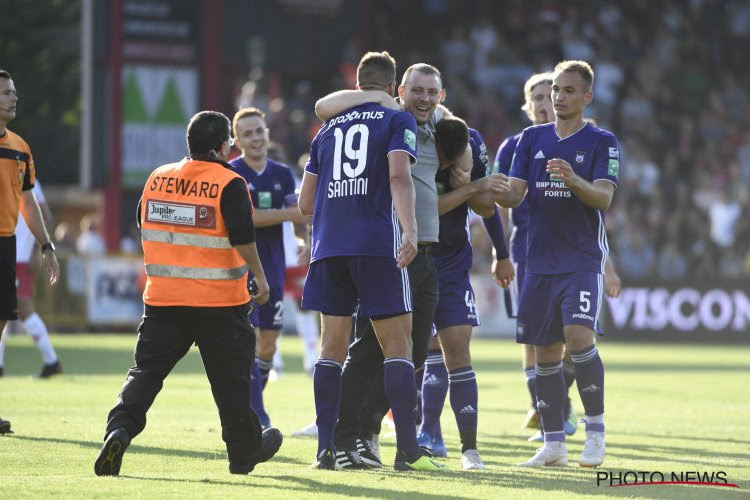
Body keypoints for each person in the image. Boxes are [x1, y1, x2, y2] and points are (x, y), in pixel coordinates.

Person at [94, 111, 282, 476]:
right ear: (223, 147)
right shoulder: (230, 182)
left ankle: (119, 428)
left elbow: (144, 224)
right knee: (231, 380)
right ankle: (244, 452)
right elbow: (242, 237)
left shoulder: (157, 178)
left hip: (163, 299)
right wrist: (260, 277)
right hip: (218, 302)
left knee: (146, 371)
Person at [300, 52, 442, 471]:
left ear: (356, 84)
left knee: (331, 349)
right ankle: (406, 451)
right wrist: (411, 230)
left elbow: (306, 203)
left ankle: (326, 450)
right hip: (377, 243)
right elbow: (399, 176)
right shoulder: (397, 121)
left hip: (329, 247)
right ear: (392, 86)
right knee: (398, 346)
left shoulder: (325, 130)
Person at [496, 60, 619, 468]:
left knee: (579, 337)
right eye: (556, 91)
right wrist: (488, 191)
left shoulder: (603, 142)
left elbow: (603, 198)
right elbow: (514, 195)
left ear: (587, 97)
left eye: (569, 91)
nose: (560, 97)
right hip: (537, 260)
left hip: (581, 259)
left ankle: (596, 434)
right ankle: (553, 445)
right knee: (545, 352)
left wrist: (572, 180)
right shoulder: (530, 139)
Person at [416, 116, 513, 469]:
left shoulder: (471, 142)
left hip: (454, 265)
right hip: (413, 260)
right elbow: (423, 206)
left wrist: (502, 254)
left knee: (456, 348)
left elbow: (488, 207)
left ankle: (468, 449)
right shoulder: (411, 141)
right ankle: (426, 432)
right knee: (416, 352)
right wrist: (471, 188)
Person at [229, 108, 311, 429]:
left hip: (274, 269)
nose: (255, 138)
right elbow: (245, 218)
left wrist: (301, 239)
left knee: (268, 345)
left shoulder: (280, 173)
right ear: (237, 141)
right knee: (247, 343)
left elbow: (297, 215)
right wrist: (289, 216)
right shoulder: (232, 173)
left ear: (267, 132)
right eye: (247, 134)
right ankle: (259, 417)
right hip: (241, 271)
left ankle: (247, 409)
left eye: (259, 131)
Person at [0, 68, 61, 435]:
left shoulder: (21, 148)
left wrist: (47, 245)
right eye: (6, 92)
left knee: (3, 325)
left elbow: (28, 202)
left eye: (14, 91)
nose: (13, 97)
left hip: (6, 245)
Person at [0, 181, 63, 378]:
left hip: (19, 254)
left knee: (24, 307)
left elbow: (44, 214)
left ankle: (52, 361)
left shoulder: (27, 179)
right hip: (10, 252)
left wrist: (40, 249)